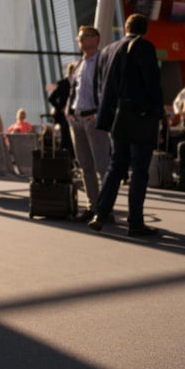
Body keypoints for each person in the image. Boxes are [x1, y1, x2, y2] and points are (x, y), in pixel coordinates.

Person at [88, 14, 163, 237]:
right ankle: (135, 223)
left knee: (116, 166)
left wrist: (106, 117)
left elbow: (98, 86)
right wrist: (158, 114)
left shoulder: (107, 50)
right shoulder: (144, 47)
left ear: (126, 28)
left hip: (116, 119)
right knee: (139, 169)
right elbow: (152, 83)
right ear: (145, 30)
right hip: (139, 117)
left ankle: (100, 214)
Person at [67, 26, 109, 222]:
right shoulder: (79, 64)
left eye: (84, 37)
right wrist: (68, 111)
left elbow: (109, 90)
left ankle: (106, 209)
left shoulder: (102, 61)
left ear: (96, 39)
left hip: (94, 118)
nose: (81, 40)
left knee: (101, 165)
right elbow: (73, 90)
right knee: (85, 165)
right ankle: (93, 206)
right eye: (79, 38)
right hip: (77, 119)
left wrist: (100, 113)